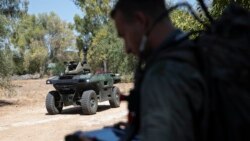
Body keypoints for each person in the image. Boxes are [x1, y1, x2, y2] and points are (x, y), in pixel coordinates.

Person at [110, 0, 206, 141]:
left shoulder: (162, 76)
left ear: (141, 20)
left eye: (124, 35)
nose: (127, 49)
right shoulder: (195, 54)